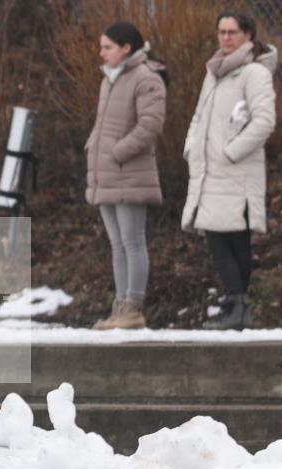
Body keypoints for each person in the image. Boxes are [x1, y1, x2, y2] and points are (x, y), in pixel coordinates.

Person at [181, 10, 277, 330]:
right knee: (217, 240)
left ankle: (238, 307)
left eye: (232, 32)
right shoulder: (215, 72)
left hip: (236, 173)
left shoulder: (254, 74)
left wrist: (229, 153)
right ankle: (235, 305)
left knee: (235, 242)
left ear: (248, 35)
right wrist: (192, 147)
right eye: (221, 31)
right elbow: (199, 115)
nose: (225, 38)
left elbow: (264, 121)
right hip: (210, 173)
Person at [85, 21, 167, 330]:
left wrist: (117, 152)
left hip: (130, 174)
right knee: (117, 244)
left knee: (133, 242)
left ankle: (134, 304)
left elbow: (150, 125)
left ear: (126, 48)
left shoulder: (147, 79)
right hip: (106, 174)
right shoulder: (109, 80)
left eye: (107, 47)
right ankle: (120, 306)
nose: (101, 52)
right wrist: (94, 149)